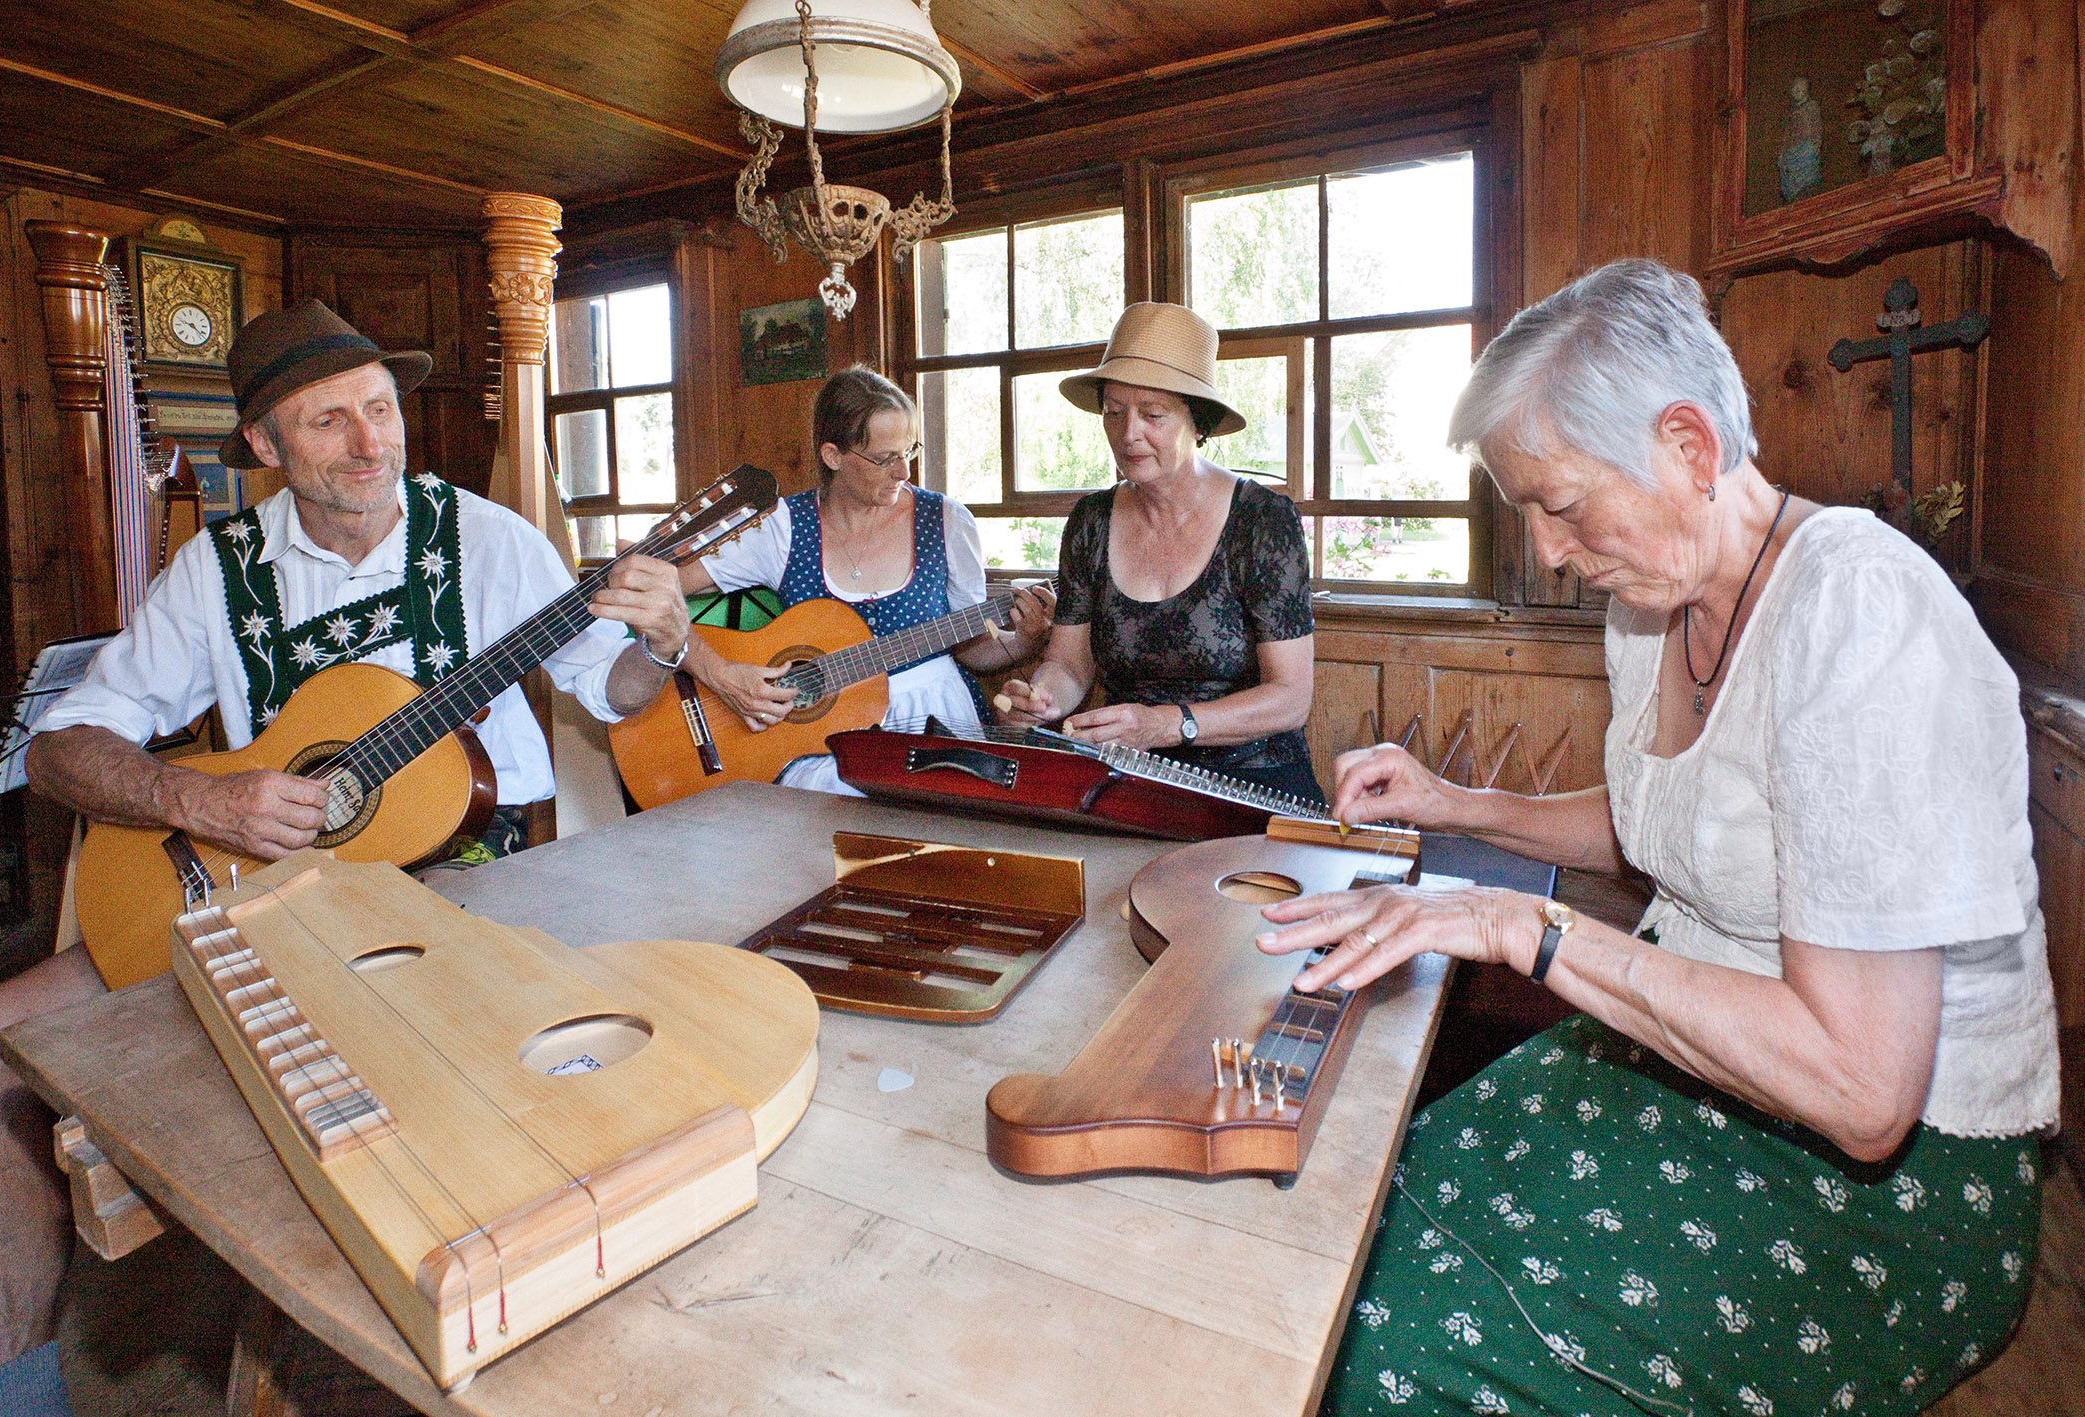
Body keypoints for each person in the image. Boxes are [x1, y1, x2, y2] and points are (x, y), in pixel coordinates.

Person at [1255, 259, 2057, 1415]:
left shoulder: (1857, 610)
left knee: (1382, 1356)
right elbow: (1664, 830)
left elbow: (1859, 1089)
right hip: (1700, 1067)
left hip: (1892, 1181)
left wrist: (1517, 925)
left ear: (1686, 444)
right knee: (1346, 1195)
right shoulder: (1651, 609)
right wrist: (1449, 802)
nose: (1542, 551)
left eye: (1560, 504)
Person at [0, 300, 695, 1381]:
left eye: (381, 411)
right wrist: (198, 803)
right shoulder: (217, 570)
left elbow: (611, 689)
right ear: (262, 446)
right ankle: (6, 1394)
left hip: (468, 893)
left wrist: (666, 646)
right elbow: (63, 747)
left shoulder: (488, 539)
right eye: (327, 421)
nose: (369, 443)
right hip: (255, 899)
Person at [997, 302, 1323, 803]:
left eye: (1152, 415)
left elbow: (1290, 699)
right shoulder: (1092, 521)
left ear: (1199, 422)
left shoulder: (1261, 521)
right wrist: (1040, 700)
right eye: (1113, 412)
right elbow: (1069, 665)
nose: (1129, 434)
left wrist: (1166, 726)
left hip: (1255, 788)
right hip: (1132, 784)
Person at [679, 365, 1053, 794]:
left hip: (935, 723)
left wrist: (1025, 641)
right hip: (818, 736)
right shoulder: (783, 527)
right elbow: (660, 592)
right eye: (883, 458)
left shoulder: (946, 521)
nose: (904, 472)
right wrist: (721, 674)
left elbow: (970, 650)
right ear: (833, 456)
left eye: (908, 451)